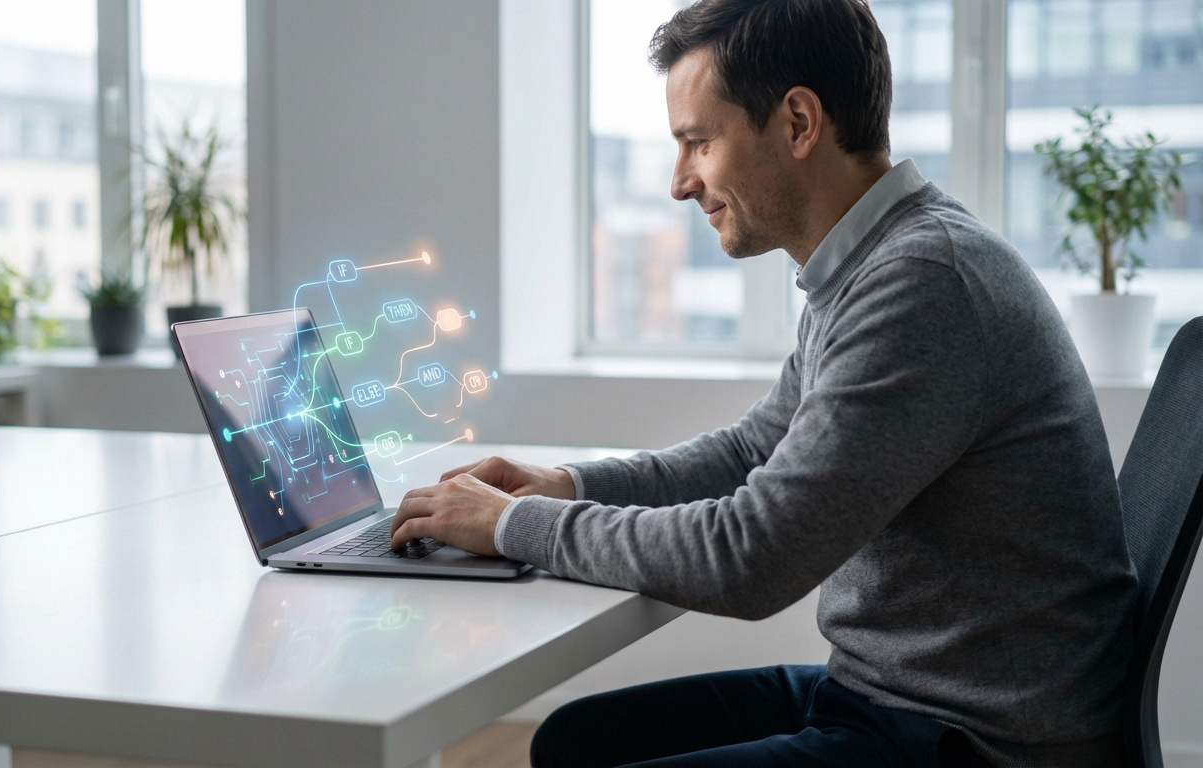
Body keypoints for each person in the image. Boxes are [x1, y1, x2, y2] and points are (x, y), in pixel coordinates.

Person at [388, 0, 1138, 765]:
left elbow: (751, 558)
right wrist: (566, 486)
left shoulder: (923, 283)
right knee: (576, 742)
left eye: (698, 142)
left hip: (973, 737)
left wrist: (514, 527)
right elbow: (755, 449)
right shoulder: (871, 264)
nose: (681, 183)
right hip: (892, 693)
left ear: (799, 123)